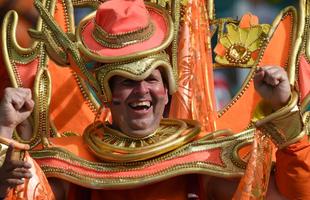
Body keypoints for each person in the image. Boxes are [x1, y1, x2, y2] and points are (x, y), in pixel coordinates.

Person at [0, 0, 309, 199]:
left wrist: (285, 116)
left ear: (167, 89)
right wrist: (4, 139)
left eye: (151, 78)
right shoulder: (66, 160)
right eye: (126, 82)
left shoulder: (205, 159)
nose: (142, 91)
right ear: (107, 95)